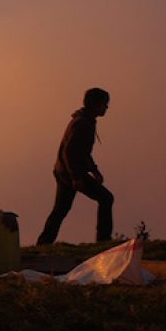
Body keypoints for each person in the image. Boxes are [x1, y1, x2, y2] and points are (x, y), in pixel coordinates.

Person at [36, 87, 114, 244]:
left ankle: (44, 243)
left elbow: (83, 152)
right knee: (106, 198)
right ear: (95, 105)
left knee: (60, 210)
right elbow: (69, 153)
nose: (106, 107)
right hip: (69, 173)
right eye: (104, 104)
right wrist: (76, 177)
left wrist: (94, 170)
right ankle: (103, 241)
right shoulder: (82, 124)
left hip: (64, 171)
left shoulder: (86, 121)